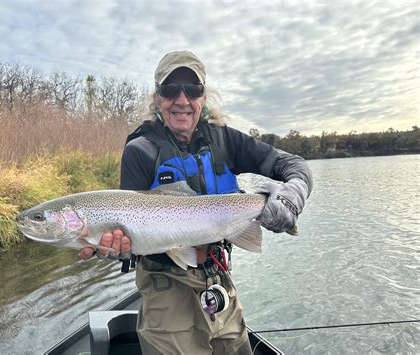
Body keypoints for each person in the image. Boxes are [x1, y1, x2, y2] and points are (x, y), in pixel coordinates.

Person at [80, 50, 313, 355]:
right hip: (165, 286)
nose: (181, 100)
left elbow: (295, 166)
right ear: (156, 98)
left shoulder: (227, 140)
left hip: (218, 279)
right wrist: (113, 248)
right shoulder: (140, 151)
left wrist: (292, 195)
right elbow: (127, 235)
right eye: (170, 90)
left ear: (203, 97)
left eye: (192, 90)